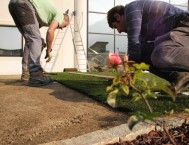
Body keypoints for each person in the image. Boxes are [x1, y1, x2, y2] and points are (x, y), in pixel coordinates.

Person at [107, 0, 189, 95]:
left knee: (161, 53)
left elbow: (134, 45)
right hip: (178, 36)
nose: (119, 31)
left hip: (185, 25)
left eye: (116, 26)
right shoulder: (144, 28)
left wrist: (128, 76)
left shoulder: (130, 9)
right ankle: (179, 77)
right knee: (144, 54)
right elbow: (137, 53)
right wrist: (126, 75)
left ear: (117, 16)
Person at [8, 0, 69, 86]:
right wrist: (48, 50)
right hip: (23, 3)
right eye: (65, 25)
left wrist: (44, 44)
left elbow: (34, 28)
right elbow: (50, 31)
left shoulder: (45, 16)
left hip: (13, 4)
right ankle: (35, 74)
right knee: (36, 39)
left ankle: (26, 73)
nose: (62, 28)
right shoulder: (59, 15)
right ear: (64, 19)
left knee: (31, 40)